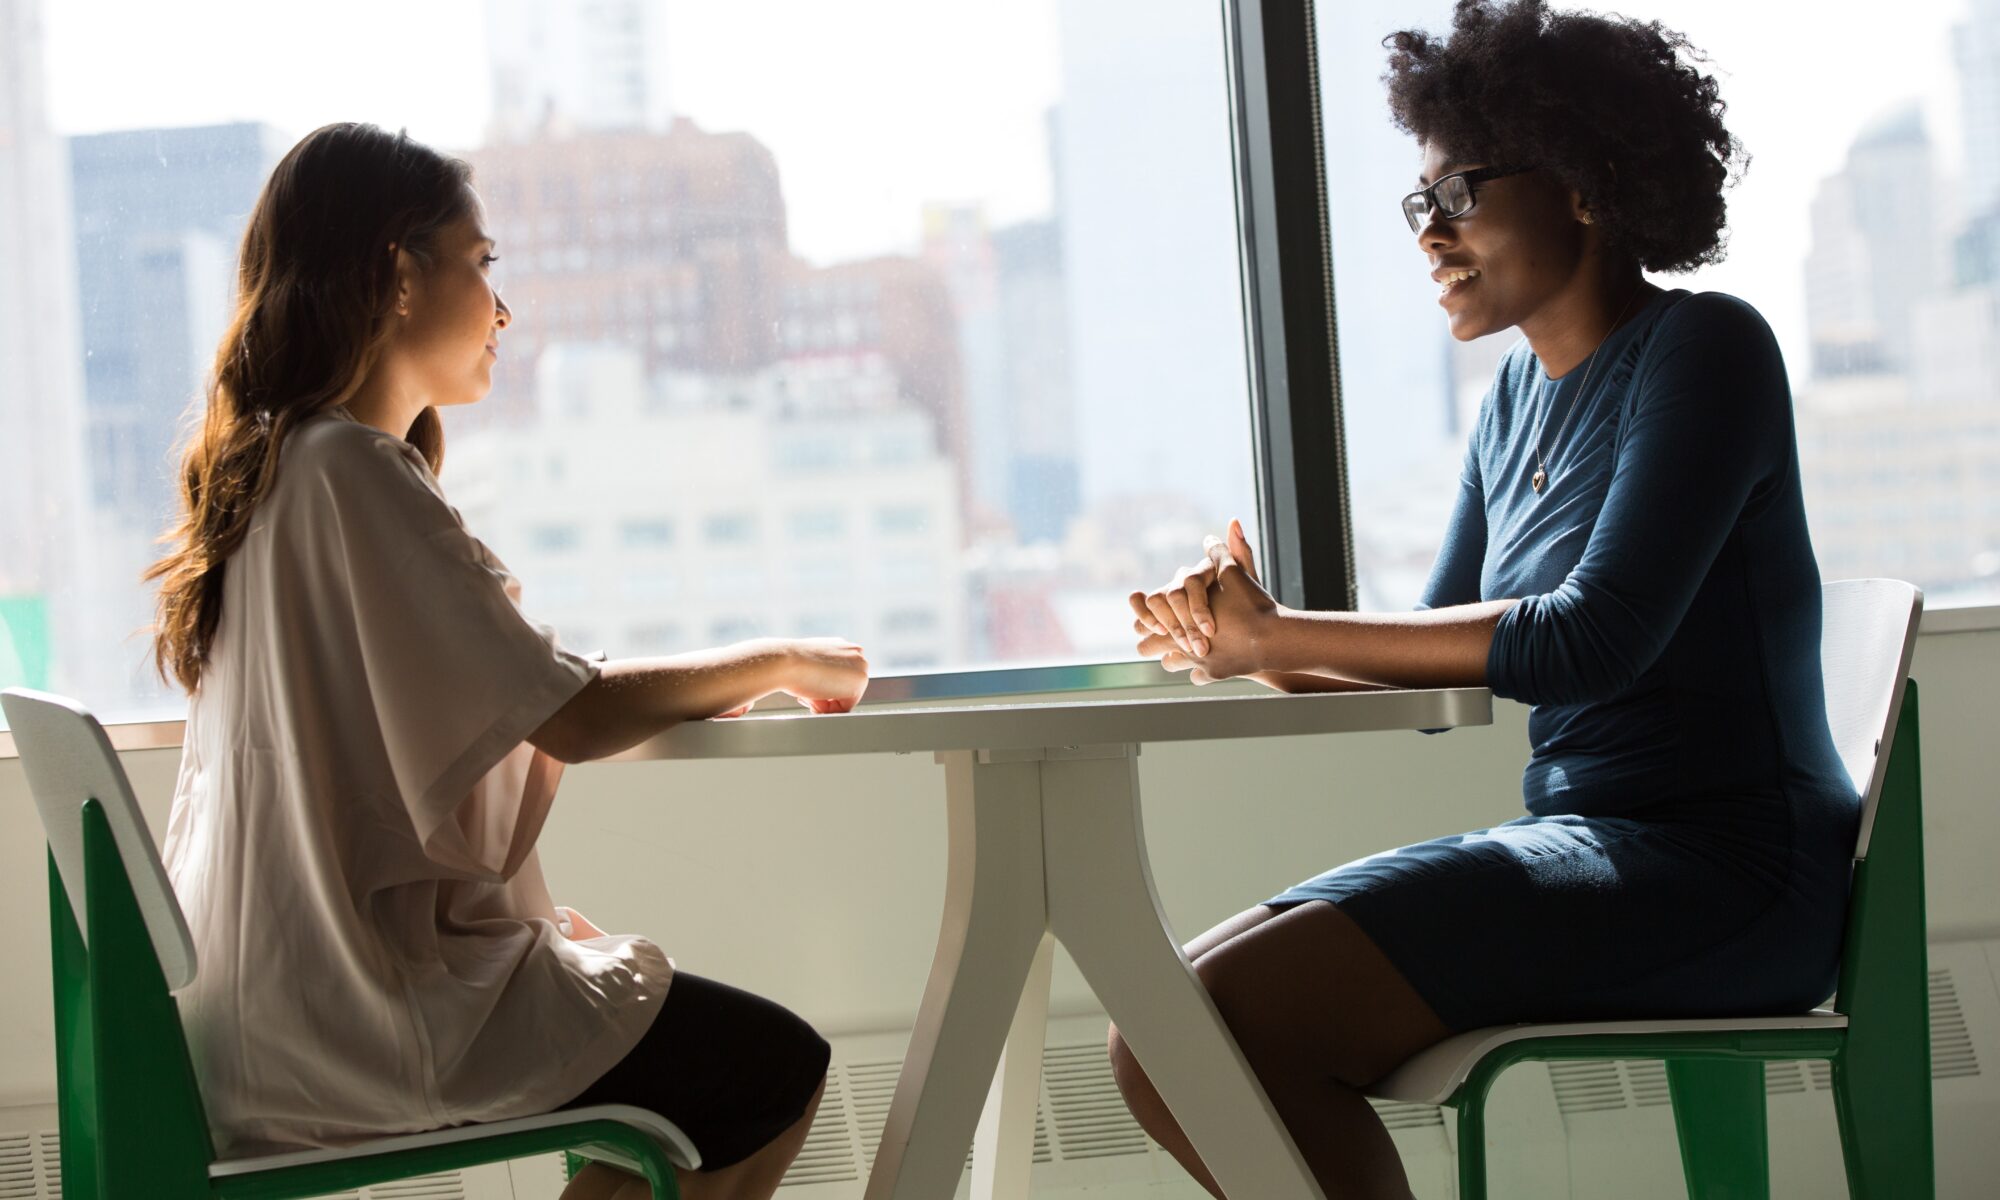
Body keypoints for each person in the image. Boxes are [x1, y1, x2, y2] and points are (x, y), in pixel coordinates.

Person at [1110, 3, 1857, 1197]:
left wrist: (1279, 630)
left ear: (1583, 185)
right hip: (1586, 846)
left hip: (1725, 871)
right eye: (1421, 203)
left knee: (1213, 1023)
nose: (1428, 235)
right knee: (1163, 1032)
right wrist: (1236, 645)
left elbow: (1590, 641)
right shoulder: (1510, 401)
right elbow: (1431, 670)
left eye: (1457, 195)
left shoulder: (1704, 350)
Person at [148, 122, 867, 1200]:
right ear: (398, 274)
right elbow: (565, 714)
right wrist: (776, 658)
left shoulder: (278, 473)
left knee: (678, 1085)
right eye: (481, 265)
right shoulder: (348, 469)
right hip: (359, 1012)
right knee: (769, 1070)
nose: (502, 307)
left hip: (266, 1006)